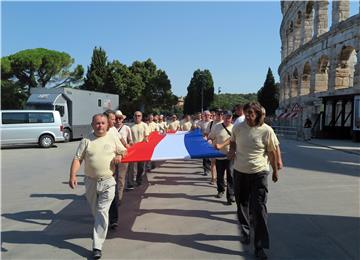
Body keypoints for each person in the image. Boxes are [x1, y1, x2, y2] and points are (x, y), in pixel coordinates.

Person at [69, 114, 126, 259]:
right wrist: (72, 176)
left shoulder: (112, 137)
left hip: (108, 181)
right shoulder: (86, 140)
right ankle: (99, 229)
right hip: (90, 182)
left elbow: (124, 150)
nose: (100, 126)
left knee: (102, 211)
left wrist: (120, 156)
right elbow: (77, 158)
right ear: (92, 124)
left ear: (107, 124)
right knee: (96, 212)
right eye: (97, 123)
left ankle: (97, 246)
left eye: (102, 123)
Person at [228, 102, 279, 260]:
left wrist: (275, 171)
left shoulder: (266, 130)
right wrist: (231, 150)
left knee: (259, 209)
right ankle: (245, 231)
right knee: (241, 203)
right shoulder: (238, 127)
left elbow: (272, 151)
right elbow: (233, 141)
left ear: (257, 114)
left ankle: (259, 246)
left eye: (251, 113)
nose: (248, 116)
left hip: (259, 173)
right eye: (246, 112)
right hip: (240, 172)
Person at [208, 110, 234, 205]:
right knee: (220, 175)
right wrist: (210, 140)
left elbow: (235, 139)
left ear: (231, 118)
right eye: (226, 117)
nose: (228, 119)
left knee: (230, 175)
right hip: (219, 155)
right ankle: (220, 190)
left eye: (229, 117)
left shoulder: (235, 128)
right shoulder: (216, 127)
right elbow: (210, 137)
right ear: (223, 117)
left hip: (230, 155)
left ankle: (230, 195)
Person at [114, 110, 133, 203]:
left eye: (120, 118)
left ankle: (119, 198)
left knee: (121, 178)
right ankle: (112, 197)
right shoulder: (110, 128)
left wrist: (129, 145)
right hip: (112, 156)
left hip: (124, 156)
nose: (118, 120)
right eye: (116, 118)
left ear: (122, 119)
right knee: (112, 178)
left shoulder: (126, 128)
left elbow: (130, 141)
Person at [128, 111, 150, 188]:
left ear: (141, 116)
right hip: (133, 149)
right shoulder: (131, 127)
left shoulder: (144, 125)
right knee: (132, 166)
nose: (137, 117)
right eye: (136, 116)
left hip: (142, 149)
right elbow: (129, 139)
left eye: (139, 116)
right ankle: (131, 181)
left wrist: (141, 145)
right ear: (133, 117)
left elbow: (146, 137)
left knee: (141, 167)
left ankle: (139, 179)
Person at [205, 109, 223, 185]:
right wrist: (207, 139)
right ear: (215, 115)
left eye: (221, 114)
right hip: (213, 146)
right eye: (218, 114)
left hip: (223, 147)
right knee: (213, 163)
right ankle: (213, 178)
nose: (220, 116)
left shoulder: (225, 122)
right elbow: (206, 133)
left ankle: (222, 179)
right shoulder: (211, 123)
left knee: (223, 164)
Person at [198, 110, 212, 176]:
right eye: (205, 115)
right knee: (205, 156)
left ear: (210, 115)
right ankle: (206, 170)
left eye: (208, 115)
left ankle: (211, 167)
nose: (207, 116)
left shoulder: (213, 122)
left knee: (211, 156)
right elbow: (196, 130)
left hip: (212, 141)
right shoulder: (201, 123)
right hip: (204, 141)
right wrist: (196, 127)